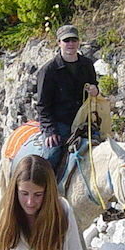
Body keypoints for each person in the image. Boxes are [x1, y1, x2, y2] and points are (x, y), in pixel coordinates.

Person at [35, 24, 99, 171]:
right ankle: (44, 189)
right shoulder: (48, 70)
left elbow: (94, 86)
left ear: (78, 42)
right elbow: (42, 106)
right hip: (59, 122)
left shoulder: (87, 64)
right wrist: (50, 131)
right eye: (66, 40)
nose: (70, 44)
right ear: (59, 43)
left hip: (84, 121)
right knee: (51, 155)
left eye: (74, 40)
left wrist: (96, 90)